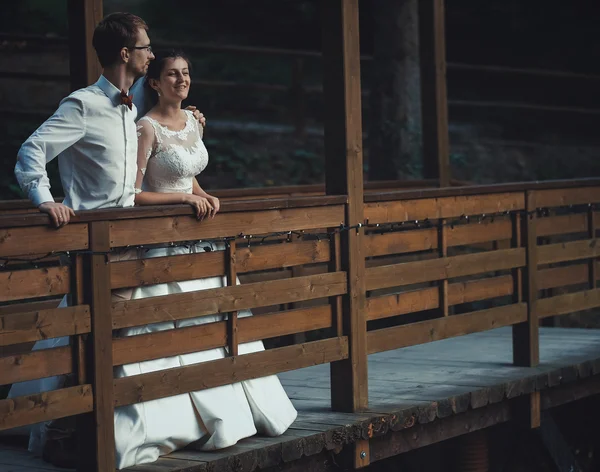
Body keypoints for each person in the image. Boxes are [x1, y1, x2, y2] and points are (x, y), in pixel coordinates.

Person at [8, 13, 205, 468]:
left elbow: (160, 132)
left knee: (107, 341)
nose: (152, 55)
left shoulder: (131, 106)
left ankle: (75, 428)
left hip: (131, 242)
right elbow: (30, 153)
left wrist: (189, 118)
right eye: (146, 48)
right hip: (93, 245)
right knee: (88, 340)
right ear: (125, 53)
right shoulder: (81, 106)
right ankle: (58, 432)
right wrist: (45, 200)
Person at [111, 49, 297, 469]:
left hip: (201, 241)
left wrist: (202, 193)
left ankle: (231, 413)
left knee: (216, 321)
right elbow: (134, 193)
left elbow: (188, 170)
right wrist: (182, 200)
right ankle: (173, 423)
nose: (182, 80)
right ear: (154, 83)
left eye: (186, 73)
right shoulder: (145, 127)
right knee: (168, 328)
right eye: (172, 75)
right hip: (163, 242)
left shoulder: (195, 121)